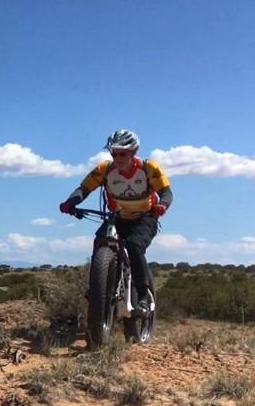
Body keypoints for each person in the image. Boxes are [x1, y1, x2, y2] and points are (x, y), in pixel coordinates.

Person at [59, 128, 173, 314]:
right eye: (114, 152)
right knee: (100, 241)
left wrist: (162, 206)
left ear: (133, 152)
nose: (118, 157)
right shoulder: (104, 170)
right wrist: (71, 202)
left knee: (135, 246)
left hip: (144, 218)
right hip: (117, 217)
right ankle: (98, 288)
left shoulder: (148, 168)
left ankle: (143, 297)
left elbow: (166, 192)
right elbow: (84, 188)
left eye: (122, 153)